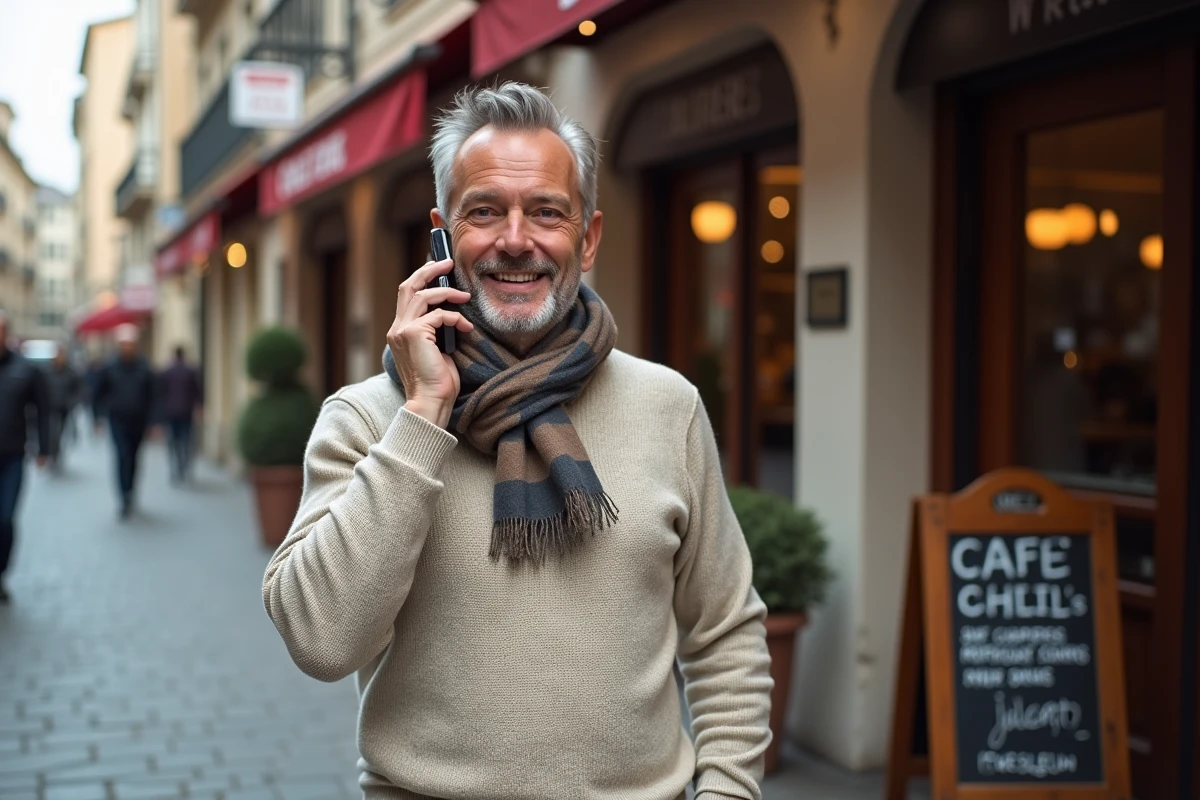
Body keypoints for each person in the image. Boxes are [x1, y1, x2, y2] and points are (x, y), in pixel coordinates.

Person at [263, 84, 772, 799]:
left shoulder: (669, 407)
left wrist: (726, 792)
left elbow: (726, 635)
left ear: (587, 238)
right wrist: (423, 415)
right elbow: (320, 639)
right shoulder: (370, 418)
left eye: (546, 212)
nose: (514, 239)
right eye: (484, 211)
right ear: (441, 235)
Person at [0, 311, 49, 603]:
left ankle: (1, 572)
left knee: (5, 519)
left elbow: (43, 410)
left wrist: (44, 448)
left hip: (12, 457)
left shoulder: (25, 369)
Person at [93, 324, 156, 519]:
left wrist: (155, 422)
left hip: (139, 420)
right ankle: (123, 496)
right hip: (117, 419)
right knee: (122, 456)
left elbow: (153, 396)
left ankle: (130, 490)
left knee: (134, 458)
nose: (127, 347)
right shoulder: (110, 367)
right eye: (124, 344)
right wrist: (97, 418)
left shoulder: (144, 367)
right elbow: (98, 393)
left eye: (130, 344)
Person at [158, 345, 203, 484]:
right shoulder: (190, 371)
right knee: (186, 440)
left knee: (173, 441)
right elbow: (197, 391)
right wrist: (200, 407)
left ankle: (175, 469)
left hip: (171, 412)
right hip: (186, 411)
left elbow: (161, 393)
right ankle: (185, 467)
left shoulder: (167, 371)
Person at [43, 345, 84, 473]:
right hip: (49, 409)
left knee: (58, 434)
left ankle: (56, 456)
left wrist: (71, 402)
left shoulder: (71, 373)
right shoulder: (47, 372)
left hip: (63, 409)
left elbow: (79, 390)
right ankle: (51, 455)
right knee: (51, 434)